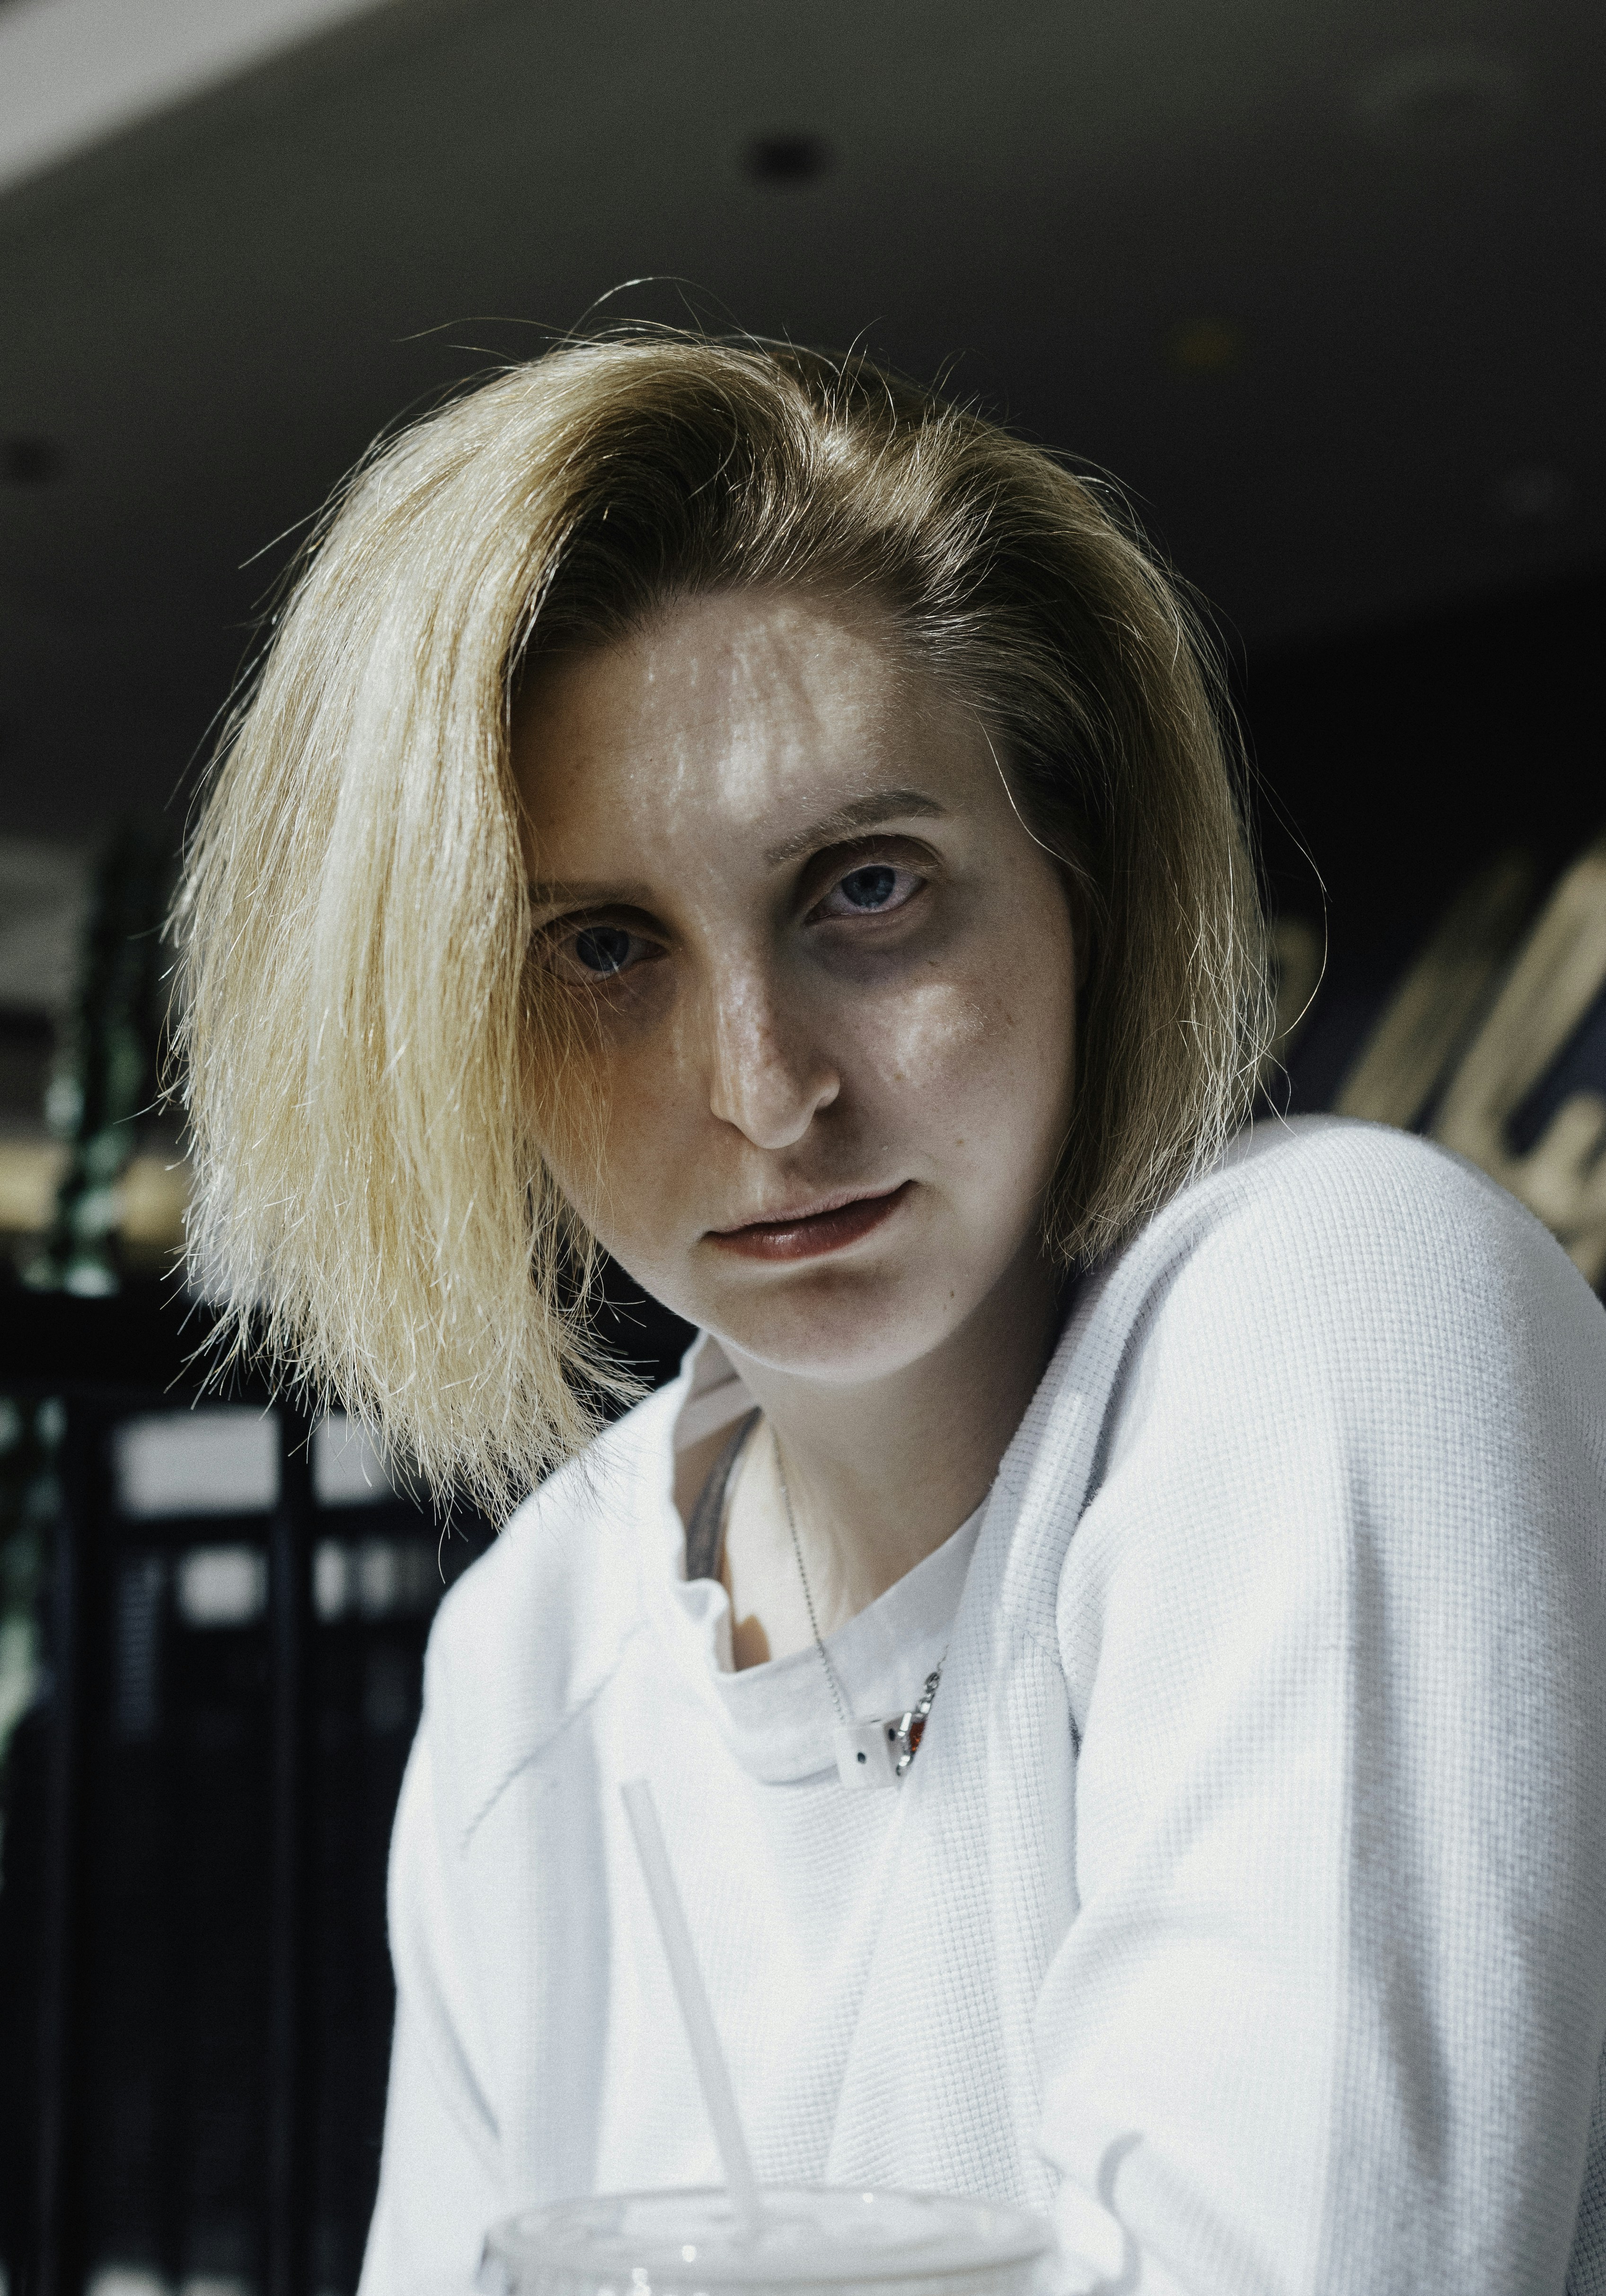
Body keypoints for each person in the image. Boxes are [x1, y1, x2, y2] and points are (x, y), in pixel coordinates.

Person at [176, 334, 1606, 2295]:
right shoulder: (535, 1644)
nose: (766, 1092)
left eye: (864, 888)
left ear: (1081, 883)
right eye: (605, 948)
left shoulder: (1333, 1303)